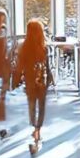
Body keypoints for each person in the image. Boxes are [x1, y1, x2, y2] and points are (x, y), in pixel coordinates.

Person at [18, 19, 54, 148]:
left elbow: (20, 66)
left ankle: (33, 126)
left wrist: (16, 79)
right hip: (42, 80)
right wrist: (50, 78)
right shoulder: (43, 47)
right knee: (42, 106)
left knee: (32, 105)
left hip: (29, 80)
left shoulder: (24, 47)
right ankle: (38, 129)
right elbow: (47, 65)